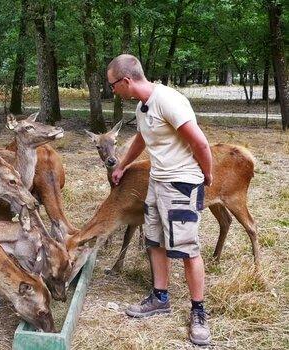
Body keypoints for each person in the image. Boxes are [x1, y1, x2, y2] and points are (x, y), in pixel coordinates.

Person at [107, 54, 213, 346]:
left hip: (180, 183)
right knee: (155, 240)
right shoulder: (144, 106)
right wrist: (123, 165)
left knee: (187, 248)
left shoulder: (169, 100)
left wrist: (207, 174)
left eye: (113, 86)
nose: (113, 91)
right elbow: (143, 137)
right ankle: (160, 297)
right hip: (157, 181)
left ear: (126, 81)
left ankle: (198, 312)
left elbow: (200, 142)